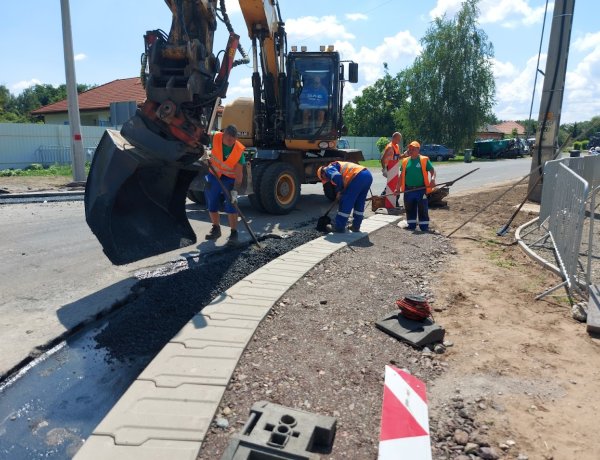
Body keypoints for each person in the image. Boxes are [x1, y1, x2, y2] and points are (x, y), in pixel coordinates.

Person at [204, 124, 246, 246]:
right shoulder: (215, 136)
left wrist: (235, 191)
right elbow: (202, 136)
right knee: (211, 202)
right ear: (224, 134)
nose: (231, 143)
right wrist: (203, 151)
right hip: (214, 175)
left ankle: (234, 233)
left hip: (229, 179)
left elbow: (239, 175)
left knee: (231, 205)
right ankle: (216, 229)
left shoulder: (238, 151)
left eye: (233, 140)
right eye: (228, 140)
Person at [317, 161, 373, 232]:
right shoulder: (337, 165)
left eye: (324, 178)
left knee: (346, 201)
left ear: (322, 173)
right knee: (359, 202)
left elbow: (337, 177)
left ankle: (339, 227)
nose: (326, 180)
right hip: (367, 175)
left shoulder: (328, 169)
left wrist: (340, 191)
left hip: (357, 177)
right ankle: (356, 226)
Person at [397, 141, 436, 231]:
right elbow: (401, 176)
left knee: (423, 208)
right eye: (409, 149)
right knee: (409, 208)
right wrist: (397, 188)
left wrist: (433, 179)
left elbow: (432, 171)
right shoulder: (405, 161)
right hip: (408, 190)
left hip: (421, 190)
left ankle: (424, 226)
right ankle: (411, 225)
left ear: (418, 150)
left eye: (413, 149)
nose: (410, 151)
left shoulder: (424, 160)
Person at [380, 131, 407, 205]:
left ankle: (392, 201)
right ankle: (383, 199)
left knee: (393, 185)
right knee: (393, 185)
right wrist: (384, 169)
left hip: (394, 168)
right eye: (398, 139)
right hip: (389, 168)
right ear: (394, 138)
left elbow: (397, 157)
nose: (399, 141)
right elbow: (382, 159)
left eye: (400, 139)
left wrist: (404, 155)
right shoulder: (390, 147)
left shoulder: (396, 146)